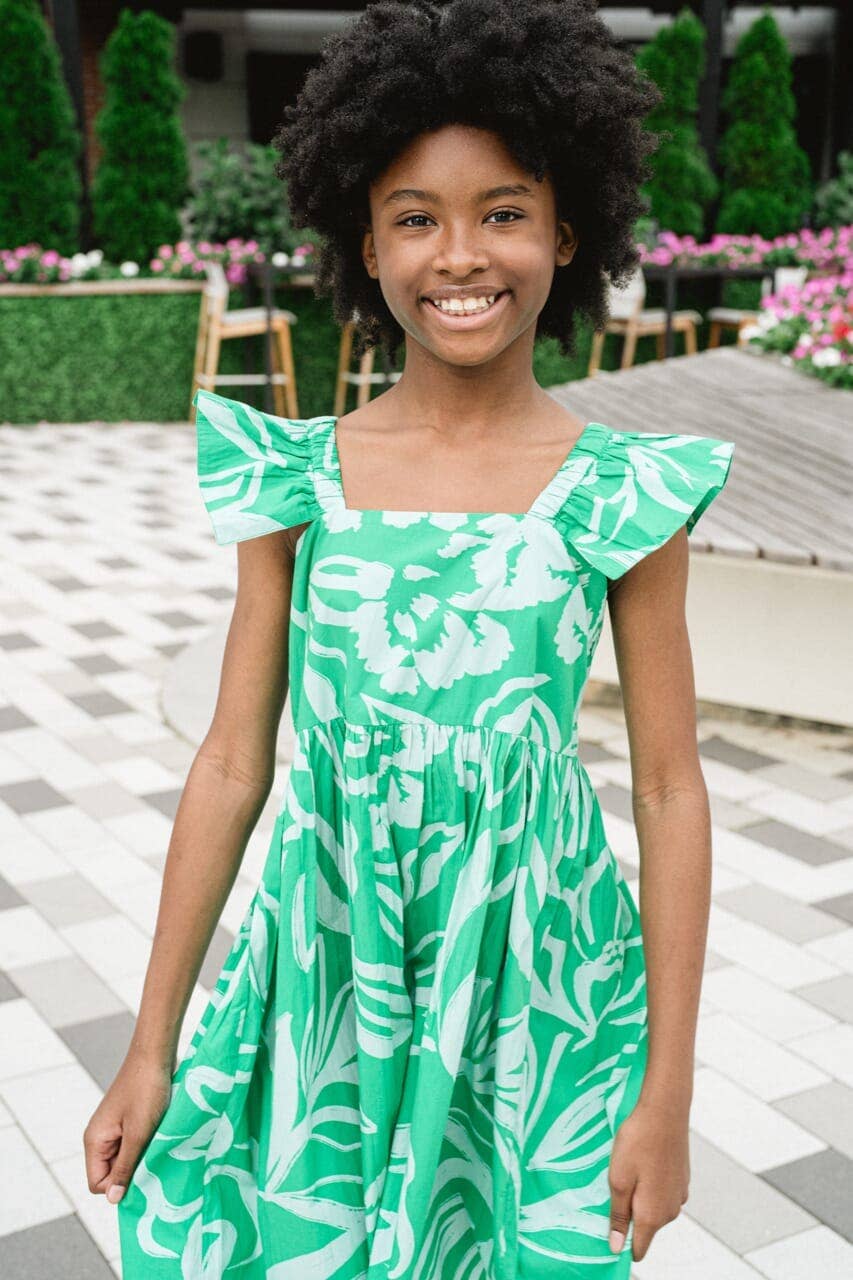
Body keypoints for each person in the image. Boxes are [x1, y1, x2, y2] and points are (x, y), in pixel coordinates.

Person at [84, 1, 736, 1276]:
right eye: (415, 217)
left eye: (504, 211)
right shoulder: (299, 477)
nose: (461, 255)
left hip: (532, 979)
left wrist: (669, 1087)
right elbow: (232, 758)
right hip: (330, 958)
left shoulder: (621, 493)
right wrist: (150, 1044)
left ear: (566, 233)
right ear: (365, 246)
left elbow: (669, 786)